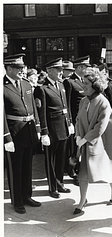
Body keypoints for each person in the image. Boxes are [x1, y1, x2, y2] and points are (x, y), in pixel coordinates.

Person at [74, 67, 112, 214]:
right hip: (84, 141)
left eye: (86, 84)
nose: (83, 86)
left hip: (102, 142)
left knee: (107, 168)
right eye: (83, 82)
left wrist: (84, 139)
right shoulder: (84, 100)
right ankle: (82, 200)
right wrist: (78, 136)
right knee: (83, 173)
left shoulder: (103, 102)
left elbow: (100, 127)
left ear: (95, 85)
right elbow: (78, 120)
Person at [4, 53, 41, 214]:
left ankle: (27, 196)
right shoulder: (2, 86)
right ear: (9, 68)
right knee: (15, 168)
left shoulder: (26, 84)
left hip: (28, 131)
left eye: (22, 67)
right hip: (14, 132)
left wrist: (38, 128)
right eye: (18, 68)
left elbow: (33, 108)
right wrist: (6, 137)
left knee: (27, 166)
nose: (22, 70)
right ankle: (17, 200)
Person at [34, 57, 74, 198]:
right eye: (58, 69)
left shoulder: (61, 85)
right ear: (49, 70)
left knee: (61, 158)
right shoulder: (42, 89)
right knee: (50, 159)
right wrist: (44, 132)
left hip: (63, 126)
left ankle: (60, 183)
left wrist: (69, 123)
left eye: (61, 69)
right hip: (51, 129)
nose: (60, 72)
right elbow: (41, 112)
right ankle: (52, 187)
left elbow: (66, 106)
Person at [63, 56, 90, 183]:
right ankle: (73, 171)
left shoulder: (84, 81)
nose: (87, 70)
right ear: (79, 68)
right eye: (85, 67)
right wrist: (69, 122)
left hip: (85, 120)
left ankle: (77, 169)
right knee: (75, 147)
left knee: (81, 146)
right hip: (75, 120)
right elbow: (67, 104)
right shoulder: (70, 82)